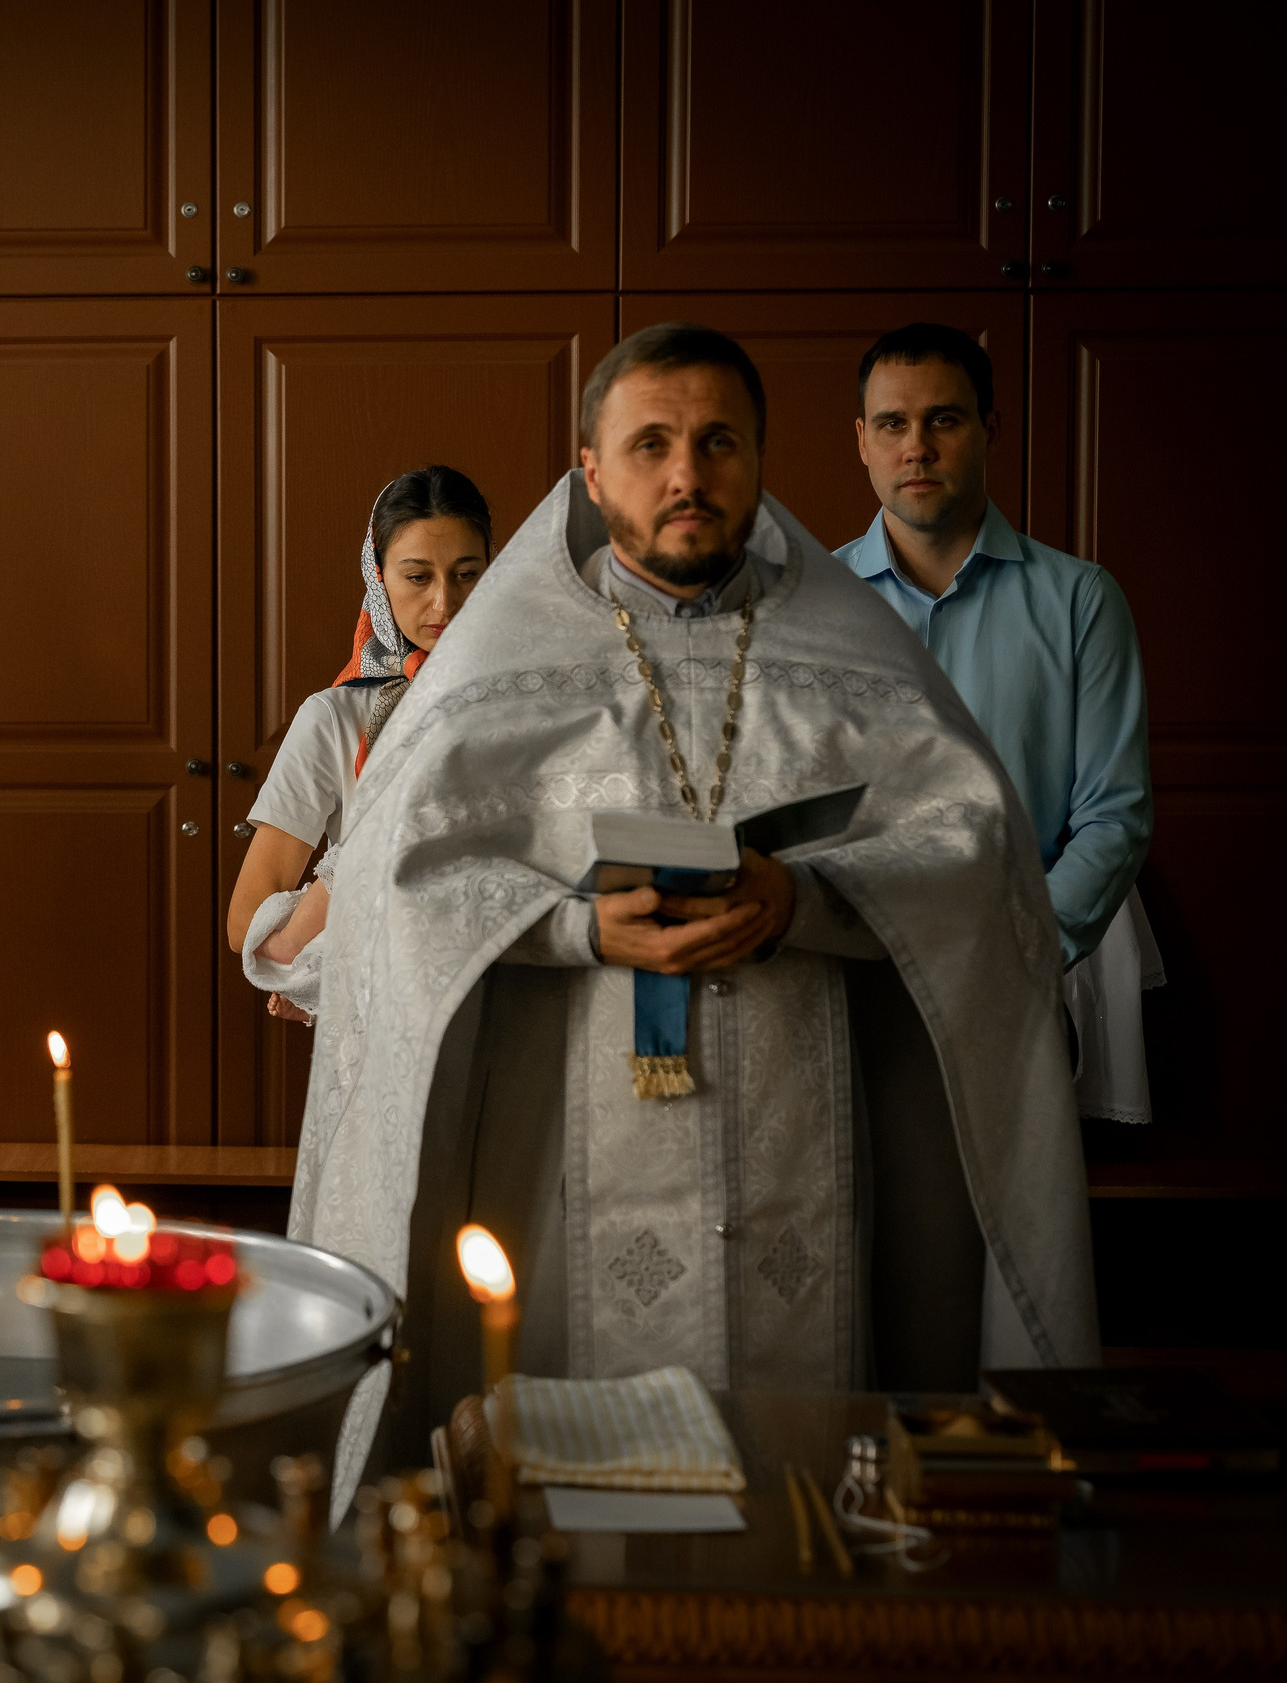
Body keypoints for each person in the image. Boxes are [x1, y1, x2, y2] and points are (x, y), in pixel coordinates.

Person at [289, 324, 1098, 1497]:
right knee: (583, 1484)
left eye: (717, 441)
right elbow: (390, 888)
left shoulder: (850, 653)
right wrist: (577, 927)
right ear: (589, 468)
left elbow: (978, 858)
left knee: (805, 1485)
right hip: (566, 1131)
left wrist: (807, 896)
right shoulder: (492, 665)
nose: (686, 473)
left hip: (805, 1123)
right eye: (651, 443)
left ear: (760, 458)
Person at [837, 322, 1159, 1122]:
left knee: (1012, 1239)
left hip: (1012, 982)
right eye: (892, 424)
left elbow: (1115, 815)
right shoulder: (813, 607)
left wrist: (1025, 949)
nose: (917, 447)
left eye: (943, 419)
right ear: (863, 442)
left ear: (989, 429)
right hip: (847, 978)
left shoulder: (1082, 600)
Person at [225, 466, 492, 1022]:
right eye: (418, 577)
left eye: (467, 574)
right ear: (378, 576)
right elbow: (247, 923)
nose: (445, 604)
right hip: (384, 1026)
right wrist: (325, 970)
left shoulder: (534, 707)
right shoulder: (334, 718)